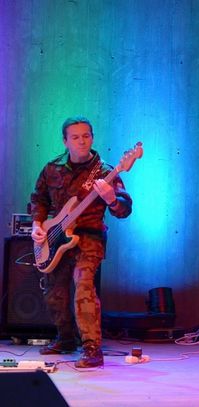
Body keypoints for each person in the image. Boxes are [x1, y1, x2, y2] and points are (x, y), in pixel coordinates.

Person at [30, 117, 132, 368]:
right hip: (56, 236)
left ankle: (92, 348)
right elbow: (39, 199)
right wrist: (37, 225)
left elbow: (124, 210)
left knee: (84, 285)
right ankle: (65, 339)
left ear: (92, 138)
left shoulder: (105, 172)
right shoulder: (52, 168)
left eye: (86, 136)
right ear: (65, 141)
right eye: (75, 137)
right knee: (54, 291)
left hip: (90, 236)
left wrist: (111, 199)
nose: (82, 141)